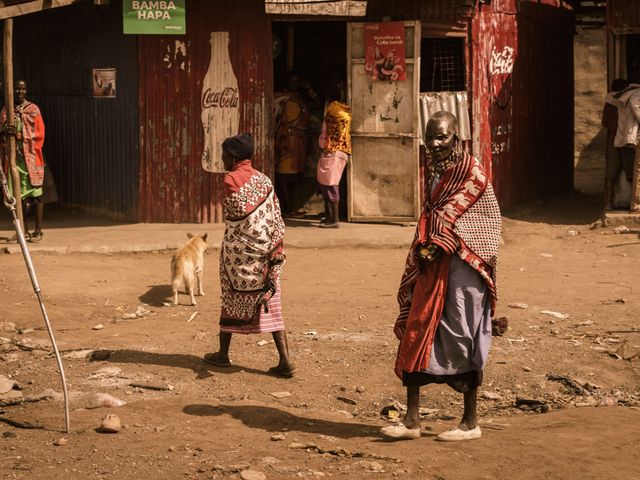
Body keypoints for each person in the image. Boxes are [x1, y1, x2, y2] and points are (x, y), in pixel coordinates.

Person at [382, 111, 501, 442]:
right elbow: (432, 215)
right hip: (433, 269)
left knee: (463, 337)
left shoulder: (473, 176)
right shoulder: (435, 171)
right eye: (429, 138)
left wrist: (446, 242)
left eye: (441, 138)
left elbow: (488, 224)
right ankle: (411, 420)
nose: (434, 145)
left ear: (457, 137)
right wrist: (427, 245)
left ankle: (470, 421)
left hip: (464, 270)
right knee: (417, 330)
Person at [204, 133, 296, 378]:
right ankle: (285, 361)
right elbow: (273, 216)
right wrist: (275, 248)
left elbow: (238, 220)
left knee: (231, 299)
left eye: (224, 154)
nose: (222, 159)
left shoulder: (231, 179)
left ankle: (223, 355)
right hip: (268, 254)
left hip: (240, 257)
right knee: (272, 305)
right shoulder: (264, 180)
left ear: (233, 156)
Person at [0, 80, 46, 242]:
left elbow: (39, 134)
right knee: (19, 198)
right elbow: (2, 134)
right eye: (17, 89)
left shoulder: (33, 110)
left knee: (37, 196)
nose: (20, 92)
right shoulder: (7, 110)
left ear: (26, 91)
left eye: (22, 89)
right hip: (14, 160)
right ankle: (23, 231)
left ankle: (38, 231)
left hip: (32, 159)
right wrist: (5, 131)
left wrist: (21, 136)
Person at [274, 71, 310, 217]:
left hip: (297, 142)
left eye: (297, 81)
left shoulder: (299, 98)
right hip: (286, 142)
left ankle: (290, 207)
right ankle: (286, 209)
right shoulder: (280, 97)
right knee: (284, 176)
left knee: (294, 176)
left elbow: (316, 104)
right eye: (292, 81)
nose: (295, 84)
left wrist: (310, 91)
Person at [316, 87, 351, 228]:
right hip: (343, 151)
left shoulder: (331, 110)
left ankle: (334, 219)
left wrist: (323, 145)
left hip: (333, 151)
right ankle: (330, 216)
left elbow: (327, 132)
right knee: (331, 183)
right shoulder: (345, 109)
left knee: (330, 185)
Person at [603, 79, 633, 209]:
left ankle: (609, 203)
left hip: (613, 139)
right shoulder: (630, 100)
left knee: (611, 173)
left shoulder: (609, 101)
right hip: (627, 139)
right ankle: (634, 203)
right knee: (632, 171)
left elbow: (605, 121)